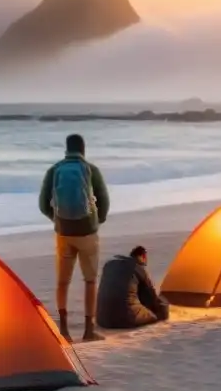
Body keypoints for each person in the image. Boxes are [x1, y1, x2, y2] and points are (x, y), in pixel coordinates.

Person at [38, 133, 111, 342]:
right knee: (89, 281)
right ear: (83, 150)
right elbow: (104, 200)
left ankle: (64, 331)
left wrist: (57, 220)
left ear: (66, 150)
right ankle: (88, 331)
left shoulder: (54, 171)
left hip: (64, 233)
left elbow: (43, 203)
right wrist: (98, 221)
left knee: (63, 282)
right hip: (87, 232)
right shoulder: (91, 170)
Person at [96, 246, 170, 330]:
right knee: (162, 309)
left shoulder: (109, 264)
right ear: (144, 256)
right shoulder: (137, 268)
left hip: (102, 319)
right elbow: (151, 297)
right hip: (126, 319)